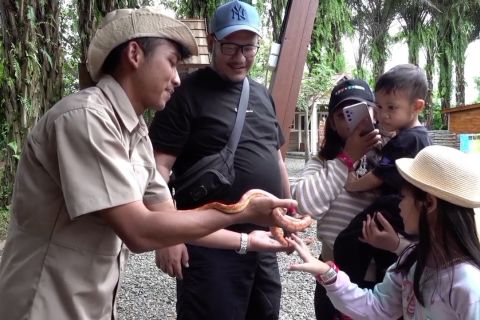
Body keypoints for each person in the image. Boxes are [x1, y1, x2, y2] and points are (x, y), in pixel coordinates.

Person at [0, 8, 298, 320]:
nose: (177, 78)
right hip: (45, 303)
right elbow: (140, 230)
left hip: (92, 303)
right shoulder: (85, 118)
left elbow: (169, 219)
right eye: (171, 62)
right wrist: (244, 211)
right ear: (134, 54)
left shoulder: (135, 133)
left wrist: (249, 241)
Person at [148, 1, 291, 319]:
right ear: (211, 42)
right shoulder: (184, 94)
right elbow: (157, 167)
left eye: (249, 47)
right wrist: (167, 234)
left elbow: (276, 159)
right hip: (209, 243)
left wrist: (288, 213)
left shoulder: (261, 94)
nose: (241, 57)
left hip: (263, 241)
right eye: (230, 46)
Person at [288, 145, 480, 319]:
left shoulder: (469, 286)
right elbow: (377, 307)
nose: (399, 205)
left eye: (403, 197)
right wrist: (327, 273)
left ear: (428, 203)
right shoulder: (412, 262)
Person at [292, 78, 409, 319]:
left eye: (361, 109)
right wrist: (347, 159)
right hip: (332, 272)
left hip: (385, 279)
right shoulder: (323, 163)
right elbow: (304, 204)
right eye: (342, 114)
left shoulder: (392, 156)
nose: (351, 119)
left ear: (374, 113)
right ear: (333, 124)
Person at [333, 64, 432, 288]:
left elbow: (379, 176)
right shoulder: (418, 137)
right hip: (406, 210)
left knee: (348, 240)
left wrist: (352, 185)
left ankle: (347, 285)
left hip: (394, 205)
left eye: (391, 108)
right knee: (384, 258)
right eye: (378, 106)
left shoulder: (407, 140)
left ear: (417, 107)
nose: (383, 115)